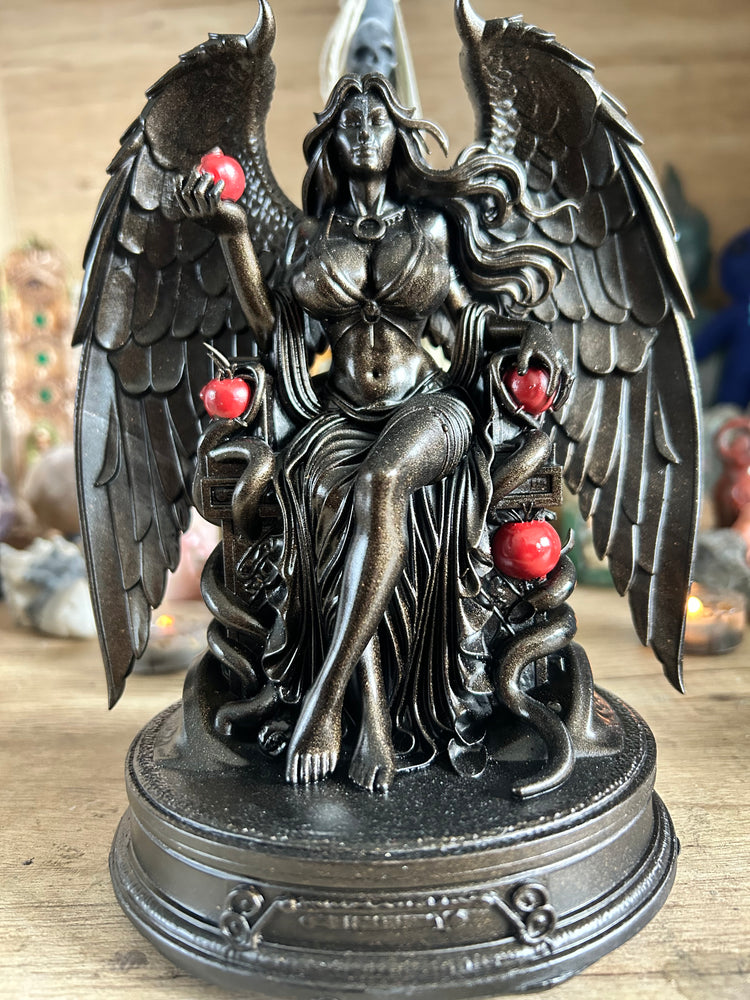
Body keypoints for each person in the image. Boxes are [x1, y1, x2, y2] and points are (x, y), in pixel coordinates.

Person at [178, 73, 570, 791]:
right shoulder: (312, 236)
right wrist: (232, 234)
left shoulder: (429, 228)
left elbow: (469, 320)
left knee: (382, 481)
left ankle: (325, 702)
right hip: (338, 417)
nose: (363, 131)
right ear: (330, 138)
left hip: (428, 407)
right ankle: (375, 724)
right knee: (327, 503)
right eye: (349, 121)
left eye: (376, 120)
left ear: (397, 136)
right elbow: (278, 332)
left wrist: (535, 335)